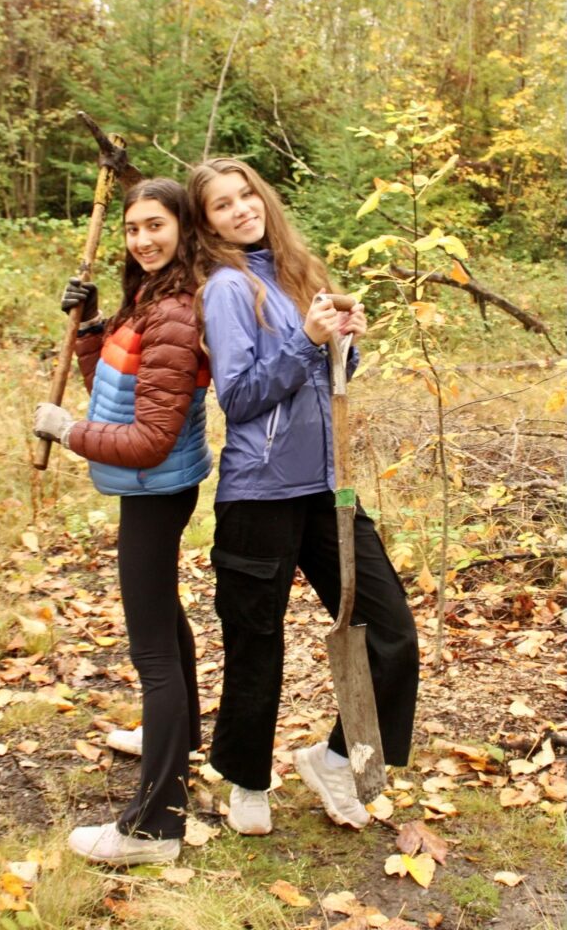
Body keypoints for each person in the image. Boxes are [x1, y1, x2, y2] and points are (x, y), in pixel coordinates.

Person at [186, 158, 419, 836]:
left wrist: (346, 343)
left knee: (390, 630)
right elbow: (240, 394)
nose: (240, 210)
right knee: (256, 642)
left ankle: (335, 757)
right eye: (221, 205)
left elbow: (326, 377)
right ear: (207, 225)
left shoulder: (301, 272)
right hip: (258, 492)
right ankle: (248, 781)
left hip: (328, 485)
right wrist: (306, 338)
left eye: (245, 195)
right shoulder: (228, 289)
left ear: (263, 197)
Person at [33, 178, 211, 865]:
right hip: (156, 487)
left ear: (183, 228)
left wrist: (68, 432)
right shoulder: (150, 297)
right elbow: (114, 392)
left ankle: (154, 827)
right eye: (133, 228)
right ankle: (182, 736)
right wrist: (89, 327)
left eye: (155, 226)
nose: (142, 239)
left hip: (154, 485)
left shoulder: (174, 312)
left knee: (153, 654)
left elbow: (146, 439)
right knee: (165, 620)